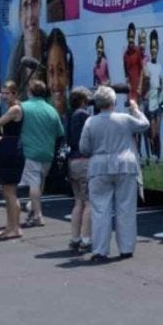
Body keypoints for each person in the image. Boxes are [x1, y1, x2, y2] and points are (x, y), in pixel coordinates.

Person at [79, 86, 150, 261]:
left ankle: (100, 250)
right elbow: (145, 125)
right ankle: (126, 248)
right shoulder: (124, 119)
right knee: (125, 208)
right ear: (114, 102)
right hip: (125, 165)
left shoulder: (90, 122)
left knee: (100, 210)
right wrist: (135, 109)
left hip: (99, 167)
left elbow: (84, 148)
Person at [19, 79, 65, 227]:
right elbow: (60, 132)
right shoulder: (51, 110)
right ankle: (33, 210)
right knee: (40, 182)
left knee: (33, 183)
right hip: (48, 153)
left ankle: (38, 215)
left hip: (30, 151)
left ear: (30, 92)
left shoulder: (23, 107)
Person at [5, 0, 47, 93]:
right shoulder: (16, 55)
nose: (29, 14)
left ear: (41, 3)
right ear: (19, 11)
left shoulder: (51, 46)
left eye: (34, 1)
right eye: (25, 4)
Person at [0, 81, 25, 240]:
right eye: (2, 93)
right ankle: (10, 226)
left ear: (14, 94)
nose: (3, 96)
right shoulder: (12, 108)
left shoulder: (15, 108)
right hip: (8, 146)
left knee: (10, 191)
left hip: (12, 151)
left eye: (6, 93)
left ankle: (15, 228)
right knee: (7, 190)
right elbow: (8, 133)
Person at [65, 87, 92, 253]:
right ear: (83, 101)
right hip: (84, 161)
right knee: (89, 202)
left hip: (72, 160)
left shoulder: (69, 115)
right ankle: (86, 239)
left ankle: (74, 238)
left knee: (78, 201)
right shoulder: (83, 115)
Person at [142, 29, 163, 163]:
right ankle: (153, 154)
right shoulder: (147, 65)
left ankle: (158, 157)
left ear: (158, 48)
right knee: (152, 132)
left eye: (156, 47)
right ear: (150, 49)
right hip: (150, 103)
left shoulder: (160, 66)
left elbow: (162, 83)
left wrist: (162, 88)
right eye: (152, 47)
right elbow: (145, 83)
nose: (154, 50)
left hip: (159, 103)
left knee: (158, 133)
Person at [45, 28, 73, 120]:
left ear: (67, 74)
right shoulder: (40, 115)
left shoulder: (76, 111)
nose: (56, 82)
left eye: (60, 71)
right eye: (51, 72)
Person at [123, 23, 143, 103]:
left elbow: (142, 70)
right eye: (129, 37)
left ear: (134, 37)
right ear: (127, 37)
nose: (131, 39)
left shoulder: (138, 51)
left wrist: (140, 87)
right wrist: (128, 93)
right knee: (131, 113)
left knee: (139, 113)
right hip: (130, 91)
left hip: (138, 89)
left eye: (132, 37)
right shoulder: (125, 55)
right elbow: (126, 75)